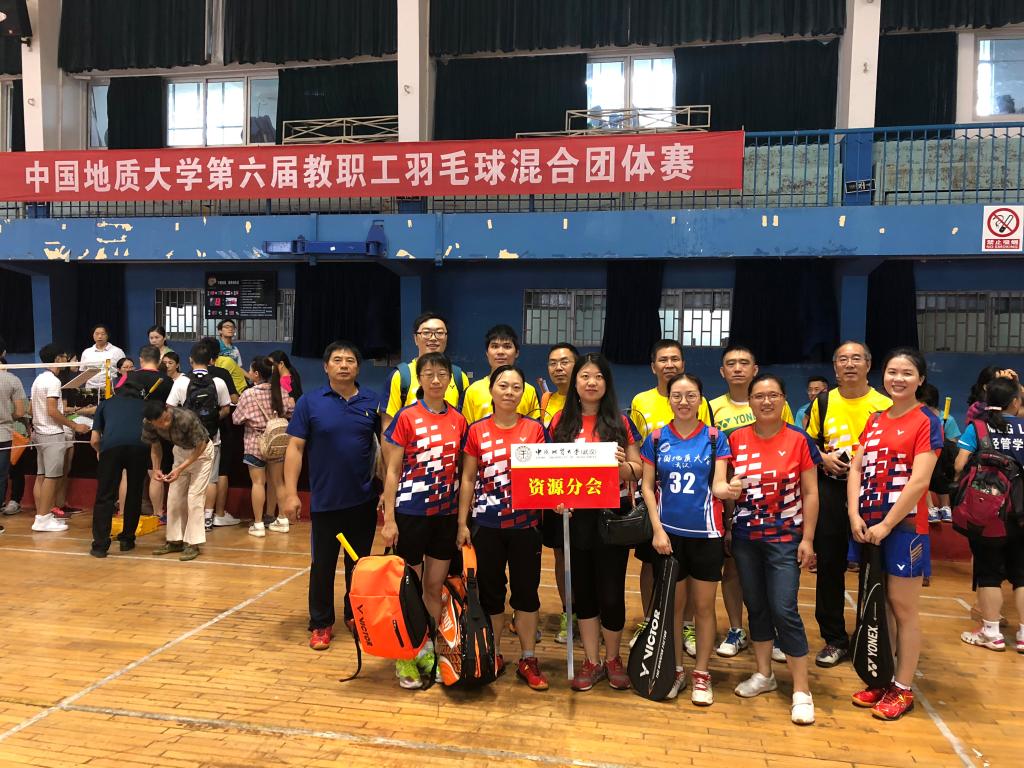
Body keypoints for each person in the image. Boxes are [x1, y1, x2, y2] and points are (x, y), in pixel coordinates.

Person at [713, 373, 821, 724]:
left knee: (784, 608)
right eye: (759, 396)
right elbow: (727, 488)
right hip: (746, 537)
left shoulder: (799, 439)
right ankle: (764, 674)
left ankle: (802, 690)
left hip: (785, 538)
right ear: (751, 402)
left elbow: (810, 492)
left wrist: (807, 538)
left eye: (773, 395)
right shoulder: (735, 439)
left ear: (784, 399)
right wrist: (729, 521)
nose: (766, 401)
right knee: (756, 606)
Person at [846, 347, 941, 720]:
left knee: (903, 607)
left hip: (904, 529)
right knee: (878, 604)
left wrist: (887, 524)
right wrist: (854, 513)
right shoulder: (875, 420)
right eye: (892, 372)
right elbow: (857, 468)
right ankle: (881, 677)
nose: (898, 379)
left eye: (906, 373)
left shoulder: (926, 420)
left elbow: (919, 481)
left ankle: (902, 688)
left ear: (920, 380)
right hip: (869, 525)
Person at [282, 341, 382, 652]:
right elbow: (295, 448)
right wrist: (290, 493)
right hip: (325, 502)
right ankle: (321, 622)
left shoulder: (373, 402)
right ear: (326, 367)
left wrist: (386, 493)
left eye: (350, 360)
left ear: (358, 367)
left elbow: (386, 450)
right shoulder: (309, 403)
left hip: (363, 501)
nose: (343, 365)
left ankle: (355, 615)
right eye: (337, 360)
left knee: (359, 565)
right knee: (322, 566)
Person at [551, 353, 642, 693]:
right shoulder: (560, 423)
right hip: (575, 518)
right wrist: (556, 498)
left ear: (607, 383)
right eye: (585, 376)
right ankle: (591, 661)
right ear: (575, 382)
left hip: (611, 517)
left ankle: (613, 658)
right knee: (584, 591)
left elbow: (638, 469)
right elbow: (549, 470)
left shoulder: (620, 422)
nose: (591, 382)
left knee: (612, 593)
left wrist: (622, 468)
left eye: (598, 377)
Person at [457, 364, 549, 690]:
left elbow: (547, 475)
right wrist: (462, 522)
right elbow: (468, 478)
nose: (509, 392)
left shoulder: (535, 430)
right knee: (491, 595)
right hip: (486, 525)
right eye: (503, 386)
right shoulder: (476, 430)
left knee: (526, 594)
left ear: (523, 393)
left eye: (516, 387)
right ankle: (492, 654)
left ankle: (528, 658)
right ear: (492, 390)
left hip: (526, 525)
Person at [640, 372, 730, 704]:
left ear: (700, 399)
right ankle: (675, 669)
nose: (684, 401)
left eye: (691, 395)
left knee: (704, 608)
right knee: (673, 610)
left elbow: (718, 484)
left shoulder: (715, 437)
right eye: (677, 395)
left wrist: (730, 489)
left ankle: (702, 674)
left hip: (706, 534)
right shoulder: (656, 438)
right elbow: (647, 487)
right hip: (669, 537)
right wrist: (657, 530)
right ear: (669, 400)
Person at [381, 352, 468, 689]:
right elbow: (392, 470)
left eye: (441, 373)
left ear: (449, 380)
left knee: (434, 586)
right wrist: (389, 519)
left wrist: (460, 521)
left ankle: (428, 647)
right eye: (428, 373)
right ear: (419, 378)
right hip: (410, 513)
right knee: (409, 587)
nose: (435, 379)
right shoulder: (406, 417)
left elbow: (462, 470)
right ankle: (406, 653)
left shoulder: (458, 420)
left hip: (444, 515)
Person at [805, 340, 892, 668]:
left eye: (857, 358)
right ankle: (834, 639)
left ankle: (871, 635)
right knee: (829, 565)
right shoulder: (823, 402)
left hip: (873, 491)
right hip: (830, 489)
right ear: (835, 366)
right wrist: (823, 458)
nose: (850, 364)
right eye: (843, 359)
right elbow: (809, 443)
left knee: (873, 565)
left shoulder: (885, 403)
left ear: (868, 365)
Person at [709, 345, 795, 658]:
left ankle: (774, 631)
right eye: (731, 363)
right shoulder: (712, 407)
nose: (737, 368)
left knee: (772, 575)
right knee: (732, 569)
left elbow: (791, 446)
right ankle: (736, 629)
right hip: (730, 503)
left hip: (774, 509)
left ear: (755, 369)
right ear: (722, 371)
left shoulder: (775, 403)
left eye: (744, 362)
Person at [629, 339, 713, 647]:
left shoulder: (701, 402)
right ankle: (649, 619)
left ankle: (686, 624)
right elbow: (637, 446)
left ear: (683, 364)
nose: (669, 364)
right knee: (649, 563)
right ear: (653, 366)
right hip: (654, 499)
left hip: (691, 504)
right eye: (662, 360)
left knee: (687, 571)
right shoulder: (640, 400)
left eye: (675, 359)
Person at [954, 377, 1024, 655]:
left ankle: (992, 633)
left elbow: (959, 464)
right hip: (1021, 511)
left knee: (988, 573)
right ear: (1015, 402)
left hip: (987, 511)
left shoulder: (978, 427)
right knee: (1022, 575)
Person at [166, 343, 232, 531]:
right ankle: (207, 518)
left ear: (190, 360)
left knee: (183, 480)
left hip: (185, 441)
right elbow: (226, 409)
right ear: (211, 360)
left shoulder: (181, 382)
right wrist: (211, 420)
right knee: (210, 479)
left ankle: (184, 520)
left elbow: (170, 409)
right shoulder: (218, 382)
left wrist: (187, 424)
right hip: (211, 439)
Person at [539, 342, 579, 644]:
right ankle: (569, 613)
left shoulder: (589, 397)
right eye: (553, 363)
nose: (559, 368)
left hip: (587, 492)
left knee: (586, 556)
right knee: (561, 554)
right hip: (554, 493)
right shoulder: (545, 400)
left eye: (565, 362)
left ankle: (590, 613)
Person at [143, 401, 216, 561]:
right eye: (159, 423)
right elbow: (155, 446)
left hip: (202, 454)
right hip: (180, 452)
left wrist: (180, 469)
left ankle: (193, 544)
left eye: (166, 418)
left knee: (194, 498)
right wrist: (156, 468)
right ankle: (175, 540)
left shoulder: (186, 417)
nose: (164, 424)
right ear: (151, 422)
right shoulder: (148, 423)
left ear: (167, 409)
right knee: (174, 498)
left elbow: (201, 445)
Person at [233, 356, 294, 537]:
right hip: (276, 442)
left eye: (251, 370)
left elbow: (236, 419)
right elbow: (291, 411)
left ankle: (258, 524)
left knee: (258, 483)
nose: (249, 373)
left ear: (257, 374)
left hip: (255, 443)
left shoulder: (248, 394)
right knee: (278, 482)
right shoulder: (281, 391)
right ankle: (282, 520)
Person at [31, 343, 90, 532]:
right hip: (52, 435)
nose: (66, 359)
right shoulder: (54, 382)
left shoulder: (38, 379)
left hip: (40, 434)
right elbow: (52, 411)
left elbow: (32, 409)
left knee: (42, 476)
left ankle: (41, 516)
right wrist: (75, 426)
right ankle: (43, 519)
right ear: (57, 359)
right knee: (52, 478)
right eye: (64, 356)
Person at [89, 384, 150, 557]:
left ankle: (100, 546)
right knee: (134, 493)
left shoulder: (105, 404)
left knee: (105, 495)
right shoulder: (145, 405)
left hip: (111, 448)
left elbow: (94, 439)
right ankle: (127, 539)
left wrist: (100, 451)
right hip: (140, 447)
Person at [383, 312, 469, 430]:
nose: (433, 338)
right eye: (426, 333)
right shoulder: (401, 376)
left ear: (446, 338)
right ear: (415, 338)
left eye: (439, 333)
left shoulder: (459, 377)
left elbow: (464, 423)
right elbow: (388, 425)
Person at [198, 337, 242, 529]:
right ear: (216, 356)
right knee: (220, 472)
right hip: (221, 429)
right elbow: (234, 399)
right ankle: (219, 514)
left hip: (195, 430)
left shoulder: (189, 376)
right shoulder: (221, 374)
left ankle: (198, 514)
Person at [460, 325, 540, 424]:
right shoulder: (472, 391)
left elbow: (535, 429)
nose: (500, 352)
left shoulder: (529, 391)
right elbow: (466, 430)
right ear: (487, 353)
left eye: (507, 346)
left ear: (517, 353)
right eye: (494, 346)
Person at [918, 382, 960, 523]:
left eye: (925, 406)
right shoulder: (917, 419)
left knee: (941, 471)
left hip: (941, 461)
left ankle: (946, 507)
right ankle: (930, 508)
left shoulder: (948, 420)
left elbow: (952, 446)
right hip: (922, 459)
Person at [0, 338, 26, 534]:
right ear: (3, 353)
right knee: (1, 477)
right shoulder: (12, 379)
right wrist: (8, 416)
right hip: (3, 434)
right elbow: (20, 411)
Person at [80, 324, 126, 391]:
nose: (99, 336)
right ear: (93, 335)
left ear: (107, 335)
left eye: (103, 334)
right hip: (89, 389)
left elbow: (124, 371)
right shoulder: (86, 352)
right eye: (97, 334)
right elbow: (83, 372)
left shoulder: (117, 351)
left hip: (111, 389)